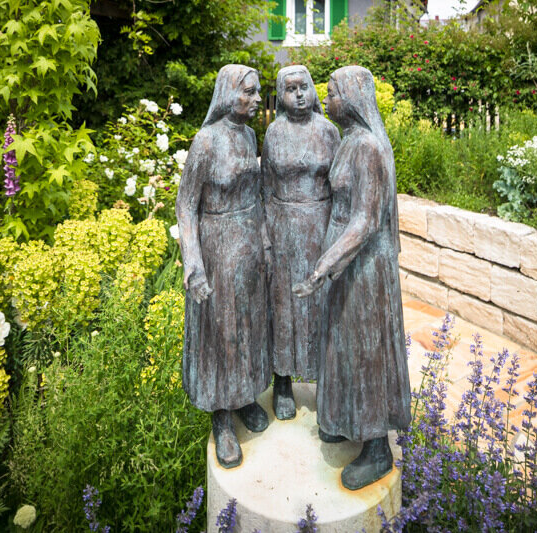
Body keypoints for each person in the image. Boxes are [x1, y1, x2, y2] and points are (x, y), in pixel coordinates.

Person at [294, 65, 412, 490]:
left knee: (366, 350)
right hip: (346, 260)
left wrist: (324, 267)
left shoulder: (369, 149)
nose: (327, 100)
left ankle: (377, 447)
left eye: (333, 93)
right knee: (341, 344)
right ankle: (345, 420)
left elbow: (364, 222)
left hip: (363, 266)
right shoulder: (351, 142)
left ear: (353, 98)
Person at [176, 64, 272, 469]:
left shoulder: (250, 135)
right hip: (217, 246)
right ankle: (221, 419)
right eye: (247, 92)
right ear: (227, 93)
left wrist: (264, 241)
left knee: (250, 325)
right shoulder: (206, 141)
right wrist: (193, 264)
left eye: (257, 93)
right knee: (223, 331)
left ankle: (246, 395)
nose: (255, 100)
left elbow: (257, 193)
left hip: (248, 243)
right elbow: (186, 204)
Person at [261, 65, 340, 420]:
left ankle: (326, 378)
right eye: (290, 89)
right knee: (284, 302)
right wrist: (265, 234)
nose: (299, 95)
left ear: (313, 90)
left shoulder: (329, 131)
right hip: (281, 226)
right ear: (281, 95)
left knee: (322, 302)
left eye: (304, 87)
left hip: (321, 226)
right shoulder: (273, 132)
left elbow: (341, 186)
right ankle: (282, 380)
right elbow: (264, 187)